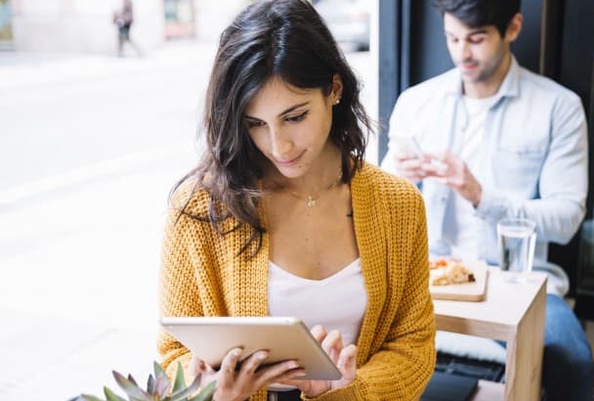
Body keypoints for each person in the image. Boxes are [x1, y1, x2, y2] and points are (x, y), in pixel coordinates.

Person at [157, 1, 436, 401]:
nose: (278, 146)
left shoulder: (400, 205)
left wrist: (345, 393)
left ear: (334, 89)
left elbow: (413, 345)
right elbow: (174, 355)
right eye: (255, 124)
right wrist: (218, 393)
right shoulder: (200, 209)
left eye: (294, 116)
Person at [381, 0, 594, 400]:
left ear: (513, 28)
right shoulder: (416, 102)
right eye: (452, 38)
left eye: (476, 39)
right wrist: (397, 179)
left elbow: (566, 219)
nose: (462, 53)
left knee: (573, 364)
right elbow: (379, 204)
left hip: (518, 280)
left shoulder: (558, 107)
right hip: (427, 274)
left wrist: (480, 195)